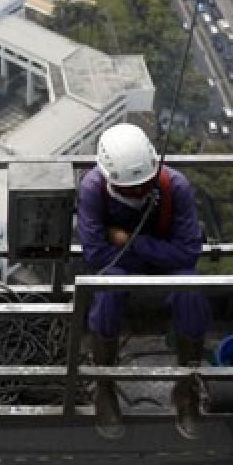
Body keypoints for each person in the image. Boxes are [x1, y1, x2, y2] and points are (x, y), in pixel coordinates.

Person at [77, 123, 209, 440]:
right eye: (129, 188)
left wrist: (128, 242)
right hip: (126, 268)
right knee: (108, 288)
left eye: (143, 185)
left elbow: (189, 253)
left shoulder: (174, 186)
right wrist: (159, 254)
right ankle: (105, 385)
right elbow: (97, 256)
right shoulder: (93, 189)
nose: (137, 192)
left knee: (190, 288)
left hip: (157, 266)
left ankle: (186, 384)